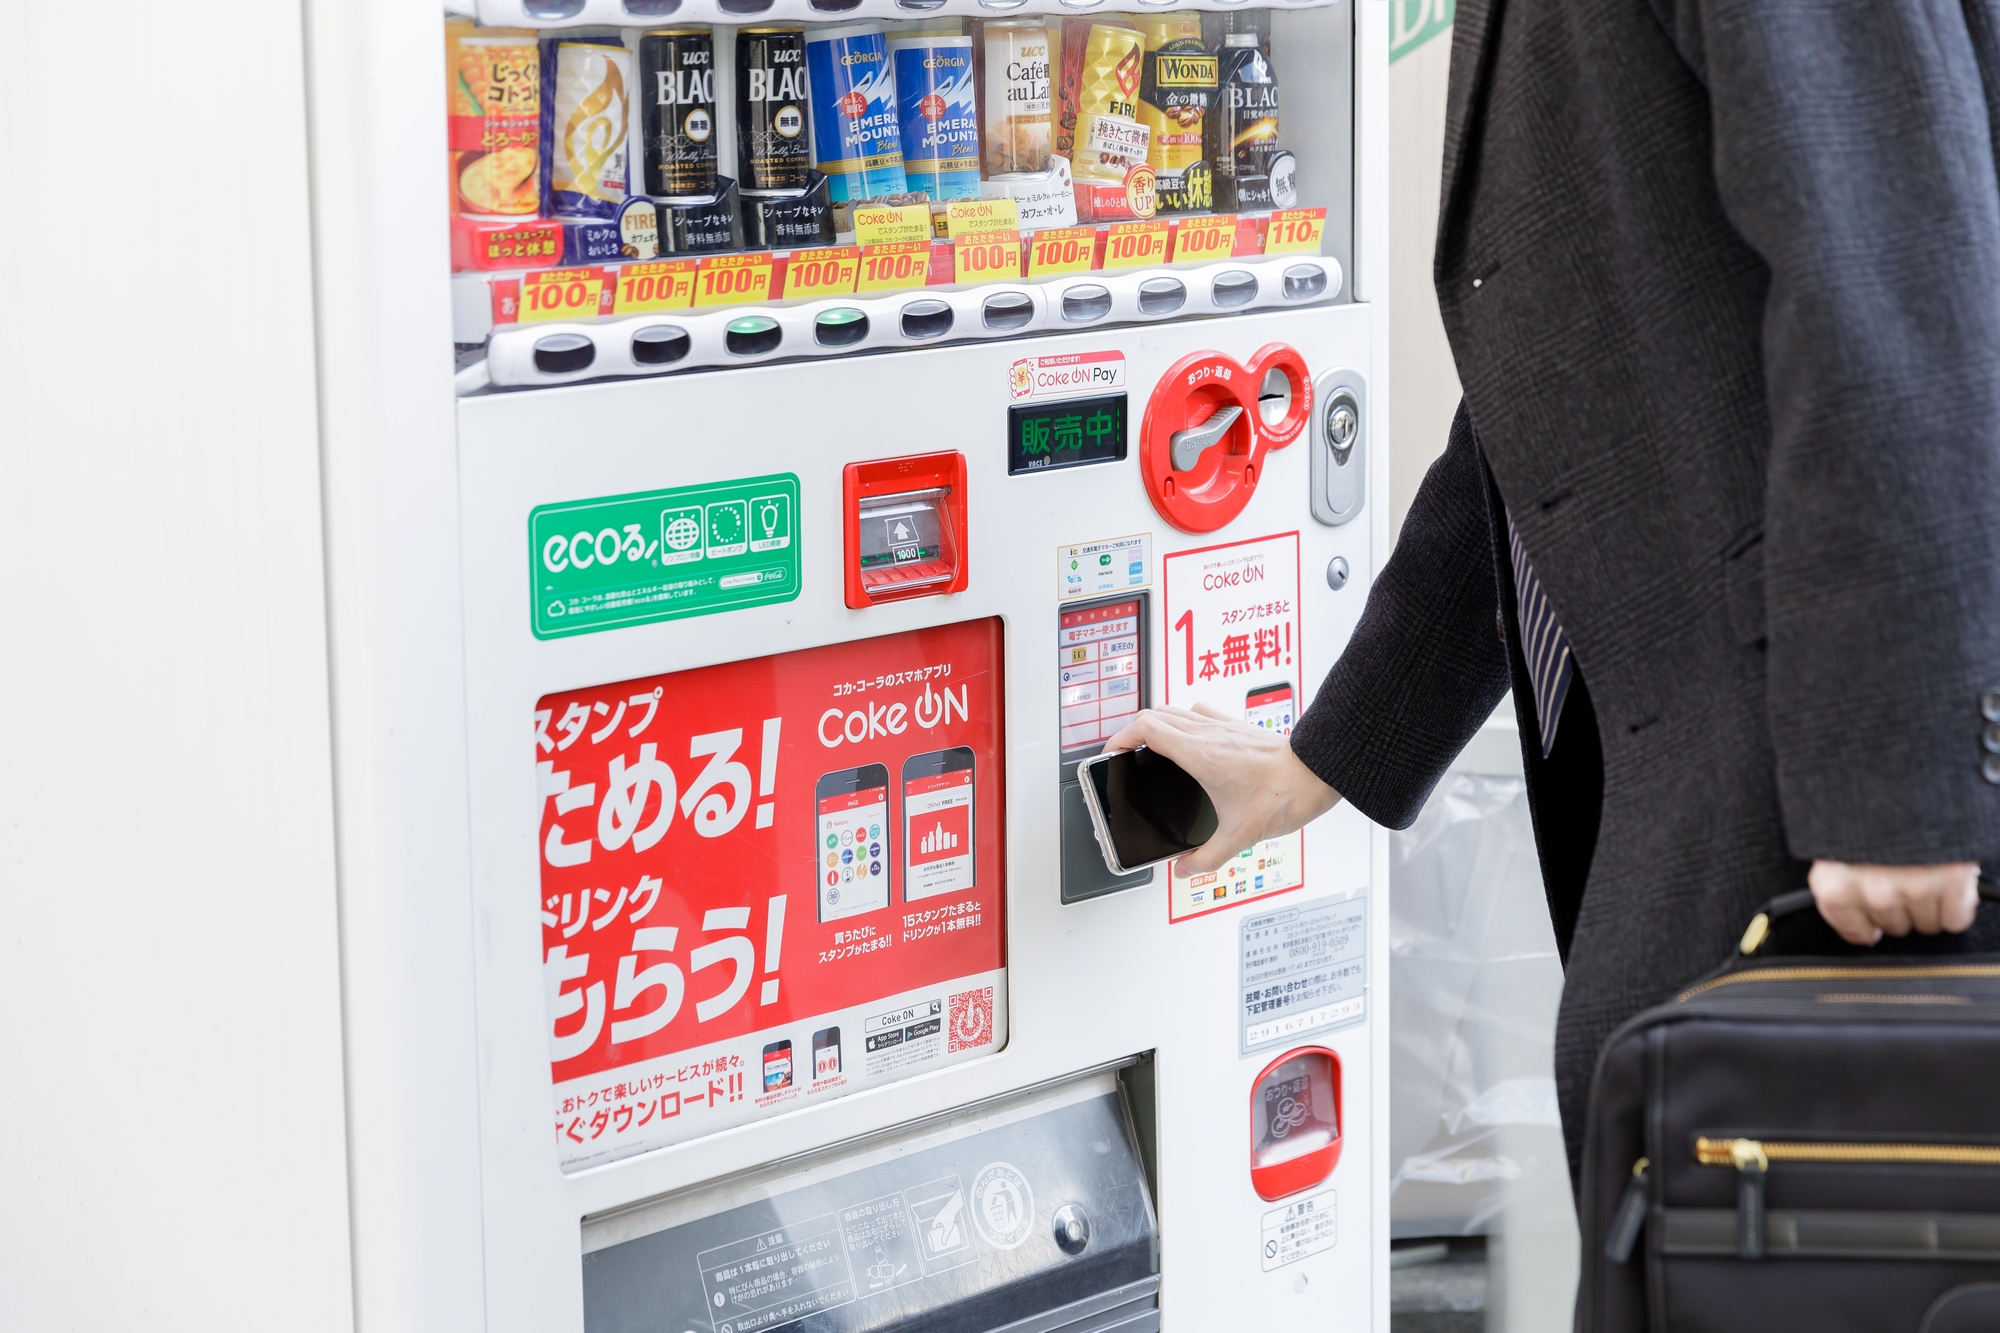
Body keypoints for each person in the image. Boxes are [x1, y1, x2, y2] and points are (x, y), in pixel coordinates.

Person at [1106, 0, 2000, 1188]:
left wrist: (1899, 796)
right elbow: (1552, 378)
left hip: (1829, 832)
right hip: (1715, 814)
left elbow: (1894, 265)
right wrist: (1319, 759)